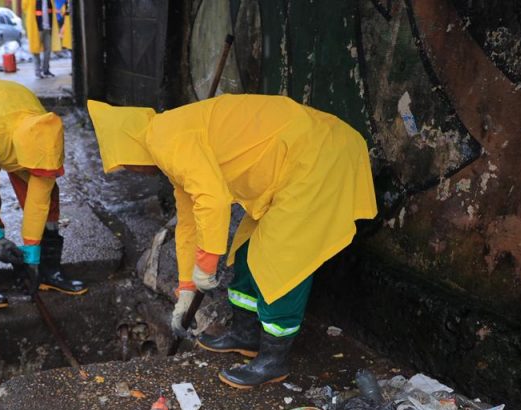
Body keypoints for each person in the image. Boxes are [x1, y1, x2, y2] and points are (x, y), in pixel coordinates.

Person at [87, 95, 377, 389]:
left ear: (132, 149)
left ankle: (273, 360)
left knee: (284, 259)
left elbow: (212, 202)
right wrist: (187, 286)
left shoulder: (164, 139)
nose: (133, 172)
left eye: (126, 165)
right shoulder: (167, 139)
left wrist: (207, 263)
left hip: (319, 154)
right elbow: (189, 221)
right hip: (295, 162)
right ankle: (246, 335)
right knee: (247, 248)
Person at [0, 78, 86, 306]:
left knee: (48, 196)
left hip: (12, 113)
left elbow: (38, 200)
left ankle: (48, 271)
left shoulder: (47, 134)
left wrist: (31, 257)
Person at [25, 0, 60, 78]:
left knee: (48, 50)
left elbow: (51, 12)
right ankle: (38, 72)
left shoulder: (49, 1)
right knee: (36, 50)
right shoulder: (32, 1)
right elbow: (25, 7)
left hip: (47, 28)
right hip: (37, 29)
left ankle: (46, 70)